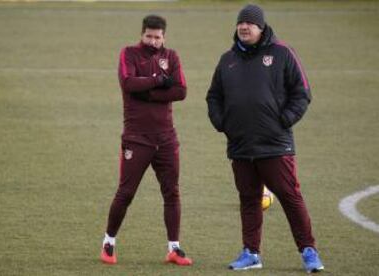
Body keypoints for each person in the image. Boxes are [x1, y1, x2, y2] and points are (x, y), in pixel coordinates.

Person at [206, 4, 324, 273]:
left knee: (290, 198)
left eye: (250, 23)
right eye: (241, 23)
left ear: (261, 27)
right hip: (240, 146)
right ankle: (251, 253)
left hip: (275, 144)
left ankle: (309, 251)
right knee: (249, 200)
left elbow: (302, 92)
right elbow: (214, 96)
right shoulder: (228, 59)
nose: (244, 27)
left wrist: (283, 120)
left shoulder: (282, 53)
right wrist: (221, 122)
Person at [100, 14, 192, 266]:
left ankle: (174, 248)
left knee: (171, 193)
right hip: (136, 139)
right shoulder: (129, 53)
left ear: (164, 37)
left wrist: (149, 92)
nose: (153, 41)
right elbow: (128, 83)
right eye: (149, 36)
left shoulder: (171, 57)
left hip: (166, 139)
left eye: (157, 37)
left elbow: (181, 90)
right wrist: (159, 82)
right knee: (126, 192)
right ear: (142, 34)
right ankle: (108, 242)